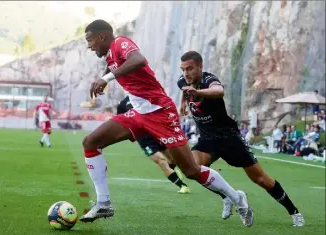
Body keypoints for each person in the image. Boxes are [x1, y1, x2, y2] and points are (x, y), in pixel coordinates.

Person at [80, 19, 253, 227]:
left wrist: (106, 78)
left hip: (160, 112)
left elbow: (138, 60)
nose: (89, 46)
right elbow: (124, 70)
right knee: (90, 142)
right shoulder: (109, 56)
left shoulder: (120, 43)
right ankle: (104, 203)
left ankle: (237, 197)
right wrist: (102, 79)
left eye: (90, 40)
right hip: (138, 113)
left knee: (191, 171)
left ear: (102, 36)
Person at [177, 51, 305, 227]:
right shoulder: (183, 82)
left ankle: (294, 212)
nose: (186, 73)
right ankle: (230, 197)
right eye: (183, 69)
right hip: (207, 139)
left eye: (190, 68)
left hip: (229, 138)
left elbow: (218, 91)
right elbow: (184, 90)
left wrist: (197, 92)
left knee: (261, 179)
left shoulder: (208, 80)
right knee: (193, 170)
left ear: (200, 66)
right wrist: (183, 103)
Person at [117, 96, 190, 194]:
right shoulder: (123, 103)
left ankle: (173, 170)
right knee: (161, 161)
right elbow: (120, 120)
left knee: (173, 159)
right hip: (143, 138)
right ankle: (182, 186)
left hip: (158, 131)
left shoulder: (148, 95)